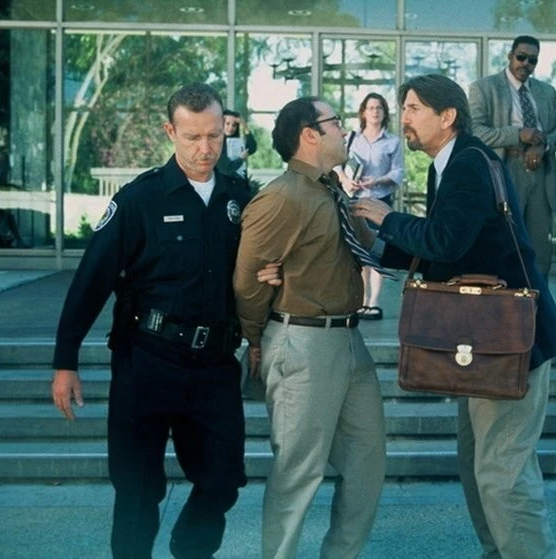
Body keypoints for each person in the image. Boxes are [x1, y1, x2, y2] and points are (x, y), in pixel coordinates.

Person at [51, 82, 281, 559]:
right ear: (170, 132)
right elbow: (92, 279)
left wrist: (269, 285)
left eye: (214, 136)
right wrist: (65, 361)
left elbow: (259, 272)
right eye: (193, 137)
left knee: (223, 480)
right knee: (137, 491)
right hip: (146, 361)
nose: (205, 149)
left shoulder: (241, 199)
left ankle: (189, 551)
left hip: (214, 364)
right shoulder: (140, 199)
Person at [352, 74, 556, 559]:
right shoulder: (450, 163)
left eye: (413, 108)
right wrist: (375, 246)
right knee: (479, 468)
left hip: (513, 344)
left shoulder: (469, 163)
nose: (404, 118)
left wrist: (386, 219)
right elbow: (448, 251)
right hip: (489, 341)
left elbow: (445, 240)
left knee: (503, 475)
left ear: (447, 116)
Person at [233, 97, 386, 559]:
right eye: (335, 122)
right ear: (309, 135)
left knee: (366, 465)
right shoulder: (282, 196)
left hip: (349, 340)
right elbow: (248, 278)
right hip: (302, 341)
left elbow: (367, 248)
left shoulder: (332, 188)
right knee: (298, 474)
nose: (345, 129)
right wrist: (254, 339)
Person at [469, 35, 556, 278]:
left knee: (539, 249)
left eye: (532, 60)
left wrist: (544, 145)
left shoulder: (546, 91)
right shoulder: (484, 87)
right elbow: (475, 131)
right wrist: (517, 135)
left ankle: (538, 299)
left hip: (541, 172)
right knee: (504, 242)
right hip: (505, 170)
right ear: (510, 56)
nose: (525, 64)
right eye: (521, 57)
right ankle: (505, 299)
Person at [336, 92, 404, 320]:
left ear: (384, 113)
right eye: (371, 107)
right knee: (359, 248)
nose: (375, 111)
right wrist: (346, 180)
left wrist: (377, 180)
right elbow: (337, 164)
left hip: (379, 201)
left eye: (379, 108)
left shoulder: (392, 142)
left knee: (376, 248)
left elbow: (398, 172)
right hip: (355, 199)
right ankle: (362, 299)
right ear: (363, 112)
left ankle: (374, 302)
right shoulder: (352, 139)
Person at [216, 108, 257, 190]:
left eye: (234, 125)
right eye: (227, 124)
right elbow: (226, 169)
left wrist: (245, 126)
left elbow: (252, 148)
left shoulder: (237, 142)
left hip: (241, 187)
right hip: (226, 188)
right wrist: (241, 159)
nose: (231, 128)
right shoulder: (217, 143)